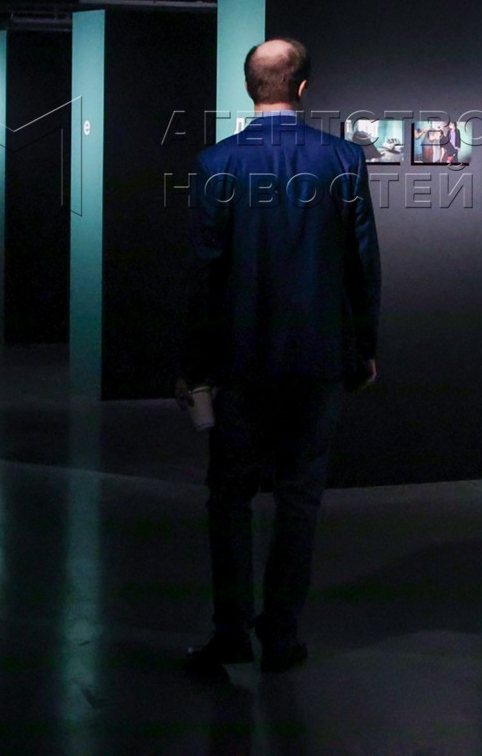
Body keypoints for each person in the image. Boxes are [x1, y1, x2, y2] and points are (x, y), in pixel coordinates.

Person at [180, 38, 382, 675]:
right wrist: (364, 347)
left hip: (238, 360)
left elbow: (204, 272)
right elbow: (362, 262)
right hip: (318, 357)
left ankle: (231, 632)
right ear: (302, 88)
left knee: (229, 498)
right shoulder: (343, 158)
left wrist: (193, 365)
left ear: (250, 89)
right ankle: (283, 635)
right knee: (299, 498)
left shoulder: (216, 163)